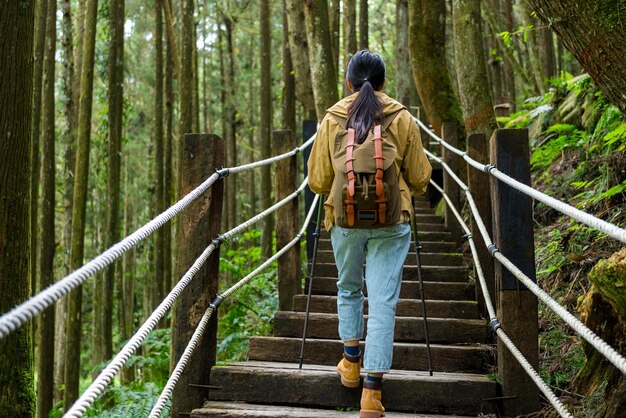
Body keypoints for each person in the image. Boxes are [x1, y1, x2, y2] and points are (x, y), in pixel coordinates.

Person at [308, 50, 432, 418]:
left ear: (348, 82)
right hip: (392, 222)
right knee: (383, 302)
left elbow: (317, 182)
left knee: (348, 288)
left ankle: (350, 363)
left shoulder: (332, 118)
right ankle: (372, 395)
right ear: (382, 84)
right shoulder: (401, 116)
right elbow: (422, 178)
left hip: (345, 222)